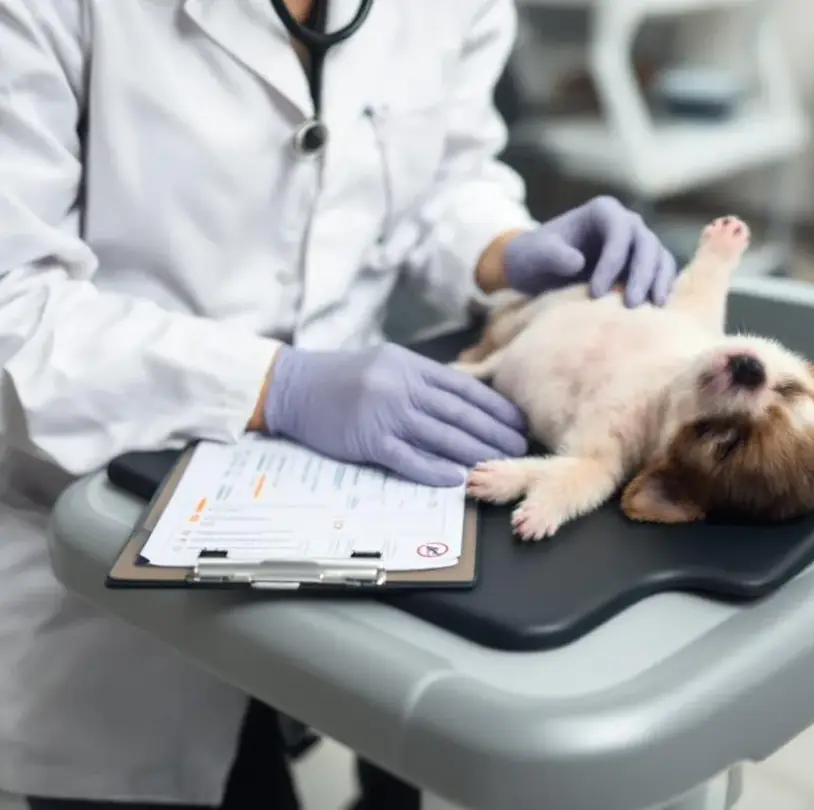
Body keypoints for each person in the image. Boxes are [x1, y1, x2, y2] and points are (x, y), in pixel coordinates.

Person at [0, 1, 678, 809]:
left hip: (348, 502)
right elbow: (15, 307)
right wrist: (273, 385)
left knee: (395, 758)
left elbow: (442, 179)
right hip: (101, 536)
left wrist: (504, 249)